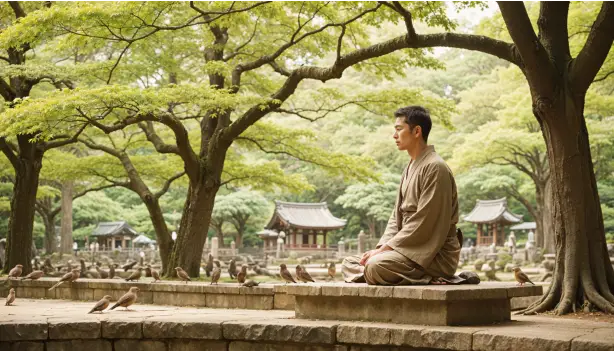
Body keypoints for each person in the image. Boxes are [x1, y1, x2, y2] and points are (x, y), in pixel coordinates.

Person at [342, 106, 461, 285]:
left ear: (417, 131)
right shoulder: (410, 167)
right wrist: (382, 248)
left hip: (433, 254)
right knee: (349, 262)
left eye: (399, 129)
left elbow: (424, 222)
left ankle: (431, 275)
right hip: (405, 249)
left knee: (375, 266)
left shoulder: (436, 167)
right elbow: (395, 217)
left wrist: (385, 251)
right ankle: (378, 270)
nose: (394, 135)